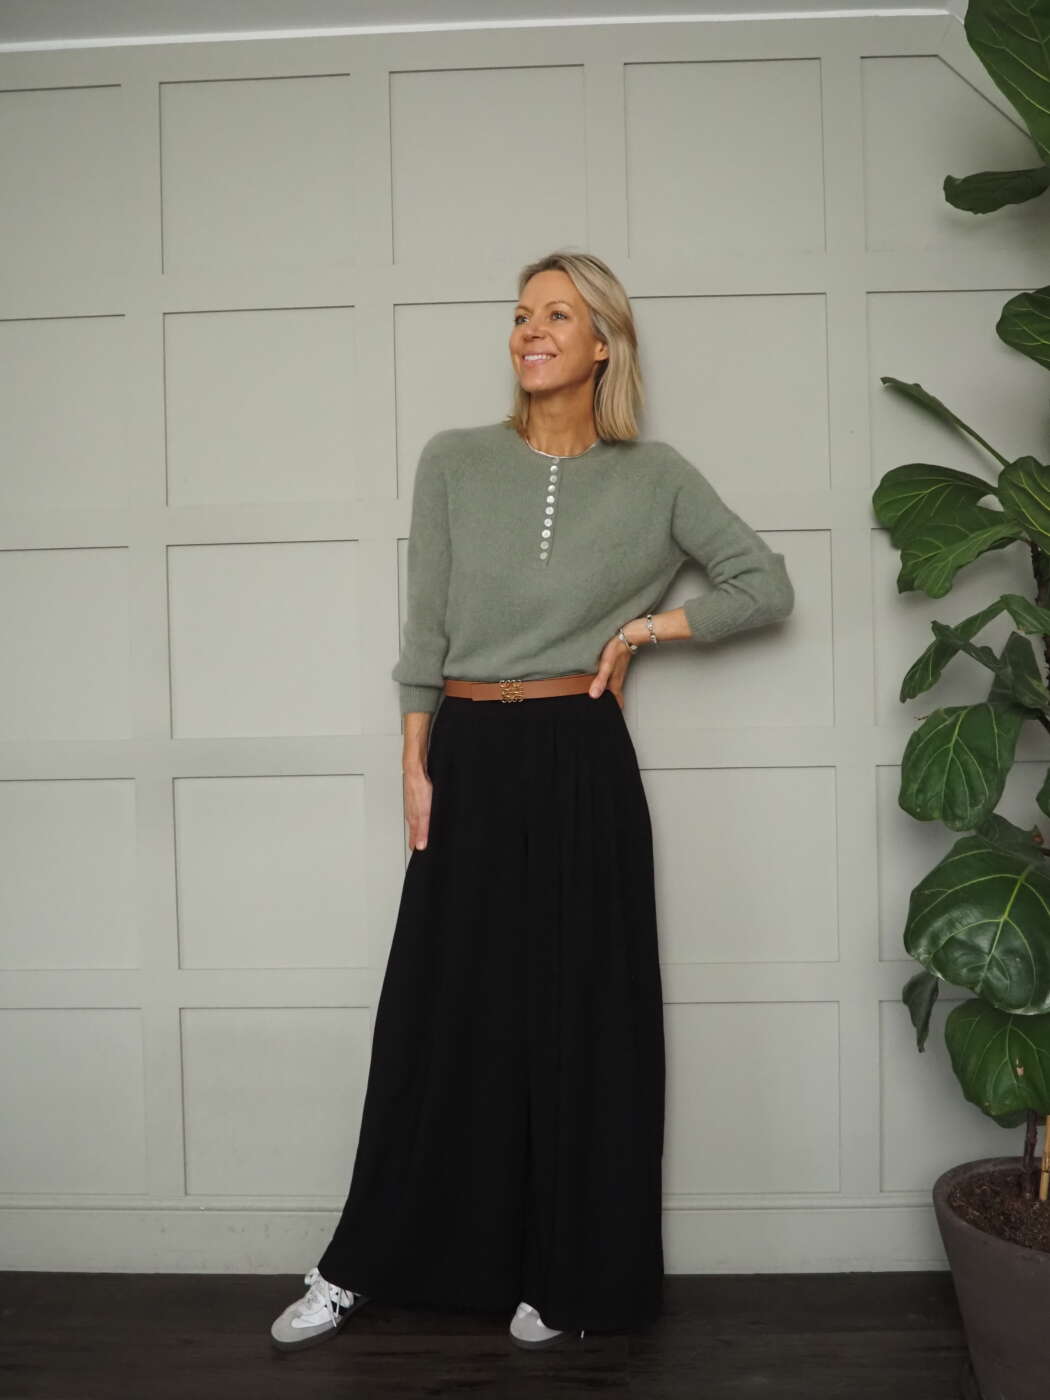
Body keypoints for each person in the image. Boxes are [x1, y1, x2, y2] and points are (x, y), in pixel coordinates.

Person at [270, 250, 795, 1354]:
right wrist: (416, 760)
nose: (531, 331)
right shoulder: (454, 460)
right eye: (521, 315)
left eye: (557, 315)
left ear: (604, 343)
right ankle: (362, 1262)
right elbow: (425, 627)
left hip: (577, 752)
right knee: (439, 1012)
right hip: (468, 748)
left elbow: (764, 585)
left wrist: (645, 629)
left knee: (581, 1013)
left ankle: (569, 1275)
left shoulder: (656, 477)